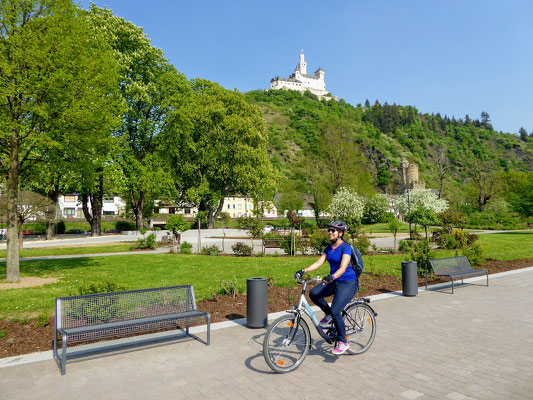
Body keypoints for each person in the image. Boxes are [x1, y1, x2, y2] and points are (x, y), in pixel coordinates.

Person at [295, 220, 358, 355]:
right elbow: (319, 262)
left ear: (340, 233)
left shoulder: (345, 247)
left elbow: (343, 267)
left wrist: (332, 277)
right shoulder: (329, 248)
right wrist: (303, 270)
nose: (329, 232)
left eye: (333, 230)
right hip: (334, 280)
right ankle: (328, 313)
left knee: (336, 310)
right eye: (329, 230)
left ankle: (343, 342)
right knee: (314, 293)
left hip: (348, 282)